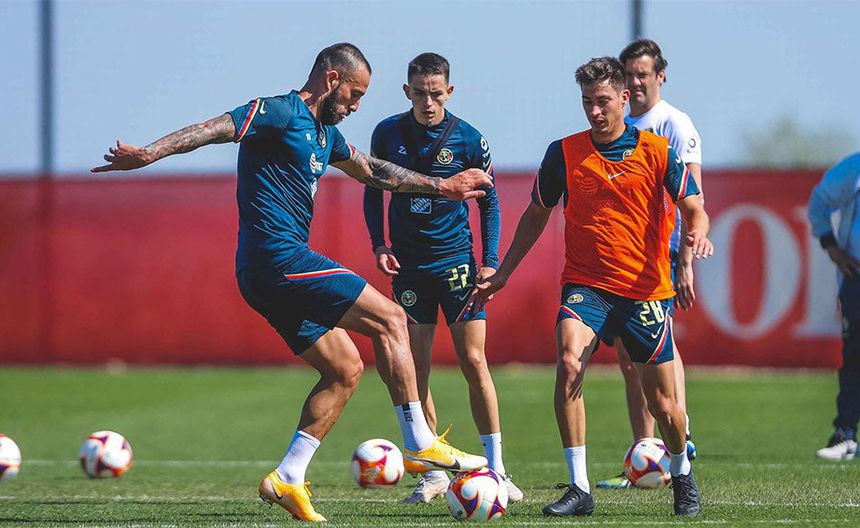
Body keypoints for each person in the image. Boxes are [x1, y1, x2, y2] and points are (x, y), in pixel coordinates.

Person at [92, 43, 491, 522]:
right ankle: (420, 442)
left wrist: (441, 186)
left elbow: (372, 170)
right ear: (331, 79)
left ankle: (288, 477)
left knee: (345, 369)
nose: (356, 106)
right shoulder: (279, 112)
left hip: (268, 274)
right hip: (276, 259)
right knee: (391, 318)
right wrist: (150, 153)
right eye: (355, 94)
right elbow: (212, 129)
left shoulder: (326, 134)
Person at [473, 57, 712, 517]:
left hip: (645, 291)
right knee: (568, 361)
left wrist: (698, 231)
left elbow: (694, 206)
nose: (594, 111)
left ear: (624, 98)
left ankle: (682, 471)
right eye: (587, 102)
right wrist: (502, 272)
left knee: (664, 405)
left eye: (602, 101)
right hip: (587, 286)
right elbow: (536, 215)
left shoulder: (658, 151)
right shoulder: (563, 153)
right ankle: (580, 487)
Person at [363, 52, 522, 503]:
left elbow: (490, 203)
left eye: (435, 93)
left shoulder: (470, 139)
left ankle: (498, 469)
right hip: (410, 269)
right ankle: (434, 472)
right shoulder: (387, 133)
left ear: (449, 92)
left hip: (457, 267)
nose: (428, 102)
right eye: (419, 93)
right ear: (407, 91)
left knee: (474, 362)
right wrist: (379, 244)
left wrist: (489, 262)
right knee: (415, 370)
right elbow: (373, 191)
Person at [597, 38, 703, 489]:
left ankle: (681, 440)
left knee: (660, 347)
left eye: (644, 74)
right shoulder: (619, 125)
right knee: (628, 357)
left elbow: (692, 196)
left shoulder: (673, 123)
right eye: (630, 75)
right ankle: (644, 453)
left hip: (660, 257)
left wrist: (685, 262)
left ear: (661, 76)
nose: (636, 82)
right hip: (622, 256)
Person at [808, 152, 860, 461]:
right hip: (857, 276)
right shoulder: (855, 168)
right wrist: (831, 245)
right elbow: (819, 201)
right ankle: (846, 435)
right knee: (855, 357)